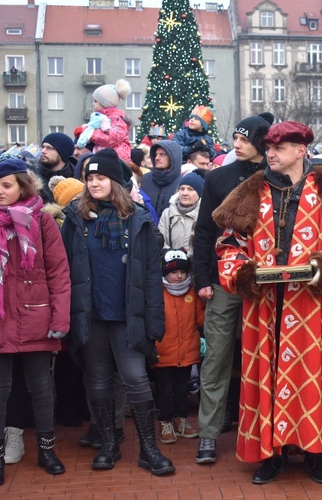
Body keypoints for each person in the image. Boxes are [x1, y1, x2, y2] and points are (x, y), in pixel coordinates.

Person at [213, 121, 322, 484]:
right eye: (268, 147)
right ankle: (272, 453)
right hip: (265, 305)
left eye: (279, 148)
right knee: (269, 375)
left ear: (301, 150)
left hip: (315, 305)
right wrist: (242, 273)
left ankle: (316, 452)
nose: (271, 153)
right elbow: (229, 246)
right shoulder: (250, 191)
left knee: (314, 377)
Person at [61, 148, 174, 476]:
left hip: (129, 317)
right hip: (90, 315)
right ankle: (108, 444)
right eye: (89, 178)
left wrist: (154, 322)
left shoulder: (138, 219)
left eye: (101, 178)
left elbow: (153, 275)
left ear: (116, 182)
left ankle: (148, 450)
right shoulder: (75, 217)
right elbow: (64, 268)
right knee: (96, 382)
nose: (94, 183)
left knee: (136, 379)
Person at [192, 112, 274, 464]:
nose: (236, 144)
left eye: (243, 139)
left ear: (260, 142)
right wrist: (202, 279)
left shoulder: (278, 177)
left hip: (268, 282)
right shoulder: (219, 178)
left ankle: (264, 432)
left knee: (266, 358)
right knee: (216, 359)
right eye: (235, 138)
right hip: (225, 281)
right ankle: (208, 435)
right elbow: (205, 231)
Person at [0, 159, 71, 486]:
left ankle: (47, 450)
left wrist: (61, 317)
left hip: (37, 314)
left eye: (6, 185)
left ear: (23, 186)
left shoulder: (42, 221)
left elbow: (59, 272)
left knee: (40, 387)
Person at [154, 248, 204, 445]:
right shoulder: (158, 292)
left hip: (187, 352)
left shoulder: (192, 293)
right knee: (164, 391)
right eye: (174, 272)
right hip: (163, 353)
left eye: (183, 272)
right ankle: (164, 422)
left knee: (181, 389)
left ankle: (180, 420)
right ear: (166, 272)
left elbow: (200, 318)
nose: (179, 275)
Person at [81, 79, 132, 162]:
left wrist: (89, 132)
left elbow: (110, 139)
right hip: (107, 158)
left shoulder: (117, 119)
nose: (92, 104)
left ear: (103, 103)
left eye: (95, 101)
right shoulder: (102, 118)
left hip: (117, 159)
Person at [158, 172, 203, 257]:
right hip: (171, 264)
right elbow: (161, 240)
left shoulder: (203, 215)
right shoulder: (167, 213)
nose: (185, 193)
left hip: (195, 266)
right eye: (182, 189)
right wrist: (174, 256)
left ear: (199, 193)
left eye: (190, 189)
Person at [141, 140, 183, 218]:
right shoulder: (144, 179)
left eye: (162, 155)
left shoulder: (182, 184)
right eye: (156, 154)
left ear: (173, 157)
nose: (157, 158)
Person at [37, 133, 77, 204]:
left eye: (49, 148)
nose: (43, 151)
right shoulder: (34, 178)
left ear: (62, 152)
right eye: (43, 147)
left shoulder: (77, 177)